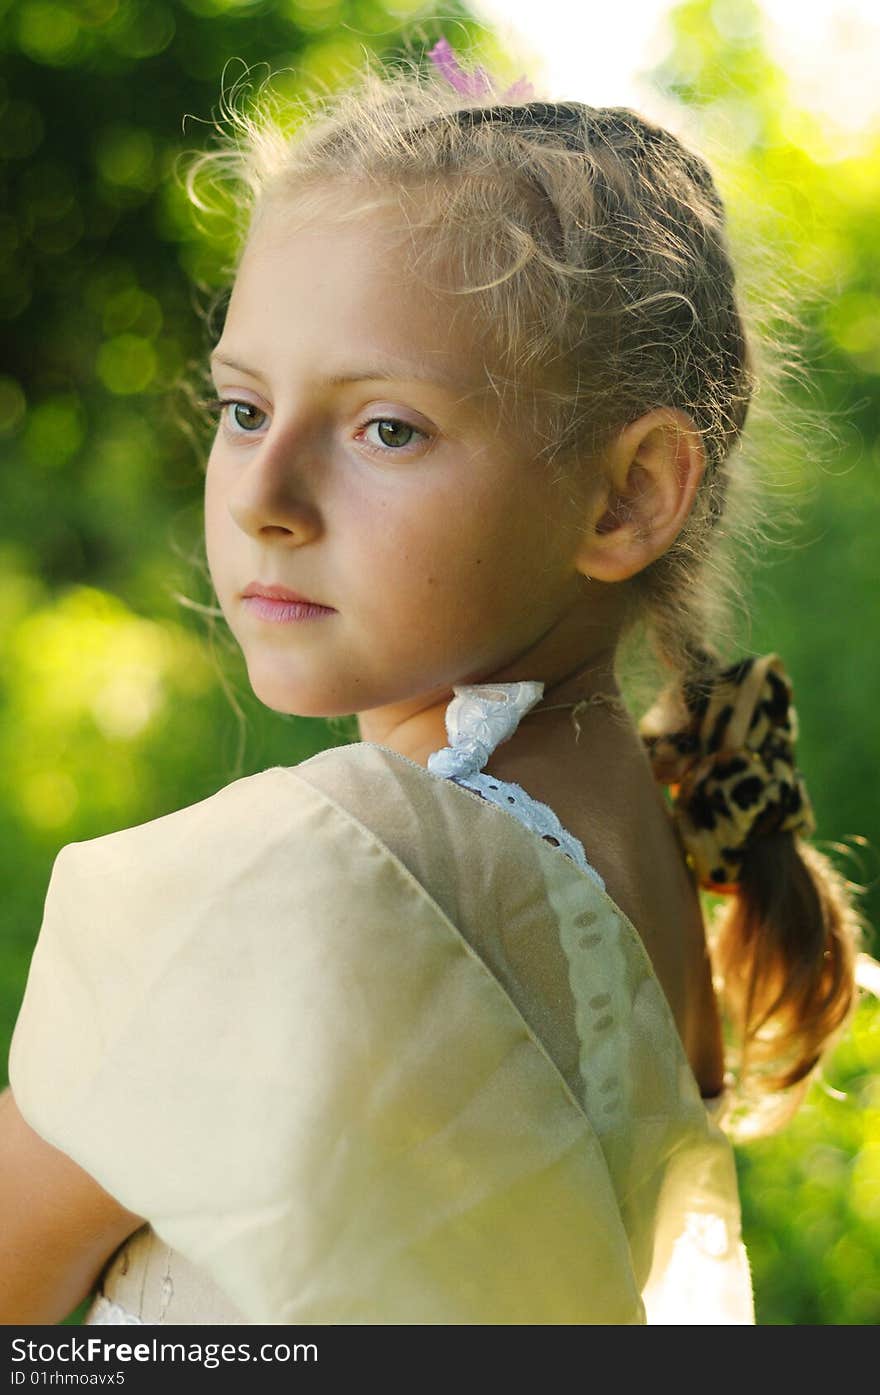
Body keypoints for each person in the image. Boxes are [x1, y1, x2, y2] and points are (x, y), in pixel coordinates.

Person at [1, 37, 876, 1326]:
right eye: (244, 410)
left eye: (386, 429)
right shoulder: (673, 827)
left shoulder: (313, 873)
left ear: (628, 494)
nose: (264, 495)